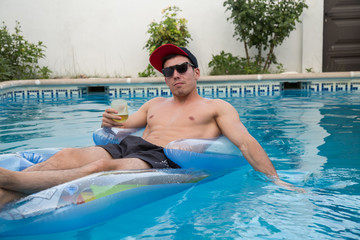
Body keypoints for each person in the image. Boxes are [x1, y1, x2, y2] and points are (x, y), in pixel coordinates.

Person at [0, 44, 299, 206]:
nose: (175, 75)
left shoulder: (216, 107)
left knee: (98, 171)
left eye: (181, 68)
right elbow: (124, 126)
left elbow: (245, 143)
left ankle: (11, 180)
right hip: (130, 147)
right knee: (66, 156)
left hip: (164, 159)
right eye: (168, 72)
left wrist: (276, 180)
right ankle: (8, 188)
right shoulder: (154, 104)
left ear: (196, 72)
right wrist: (109, 120)